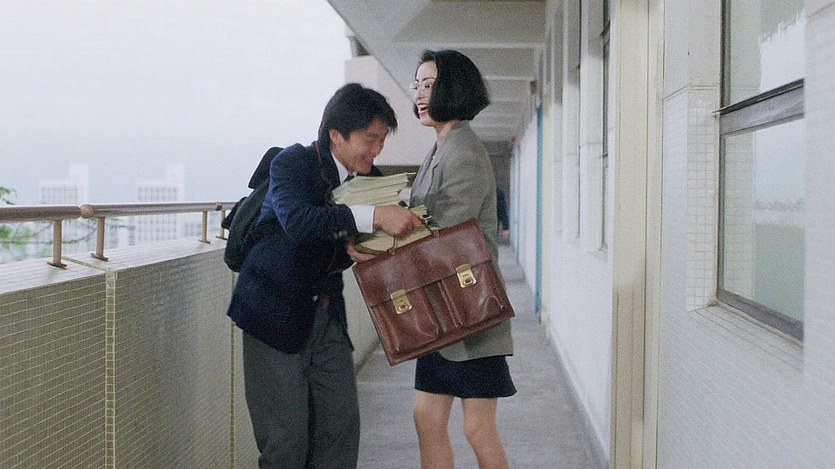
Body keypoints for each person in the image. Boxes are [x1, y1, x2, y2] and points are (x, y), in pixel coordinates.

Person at [227, 83, 423, 469]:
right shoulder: (293, 163)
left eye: (382, 140)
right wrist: (374, 216)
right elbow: (299, 221)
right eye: (370, 138)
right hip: (273, 314)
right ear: (336, 134)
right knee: (286, 441)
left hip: (327, 316)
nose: (377, 149)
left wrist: (357, 248)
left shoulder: (371, 179)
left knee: (340, 429)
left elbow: (346, 236)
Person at [410, 49, 517, 468]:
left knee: (478, 428)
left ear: (452, 89)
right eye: (417, 85)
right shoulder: (441, 146)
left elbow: (448, 232)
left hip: (470, 313)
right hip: (442, 311)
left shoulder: (464, 150)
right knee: (427, 419)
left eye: (429, 84)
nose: (420, 94)